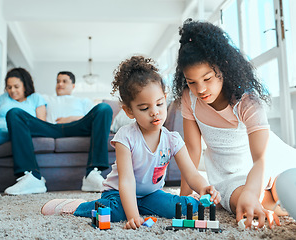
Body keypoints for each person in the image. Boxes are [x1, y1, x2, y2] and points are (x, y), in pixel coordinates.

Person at [40, 56, 221, 230]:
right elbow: (126, 181)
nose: (155, 112)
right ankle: (76, 206)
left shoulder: (172, 139)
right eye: (144, 108)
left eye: (159, 104)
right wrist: (133, 215)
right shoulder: (125, 137)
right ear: (129, 111)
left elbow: (191, 174)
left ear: (164, 99)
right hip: (118, 194)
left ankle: (153, 205)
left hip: (151, 194)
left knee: (182, 208)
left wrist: (204, 187)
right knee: (116, 213)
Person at [173, 19, 296, 229]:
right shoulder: (189, 98)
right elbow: (192, 150)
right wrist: (184, 198)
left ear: (224, 68)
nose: (200, 89)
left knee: (283, 188)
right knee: (245, 203)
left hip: (266, 162)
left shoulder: (247, 101)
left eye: (208, 78)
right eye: (192, 82)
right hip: (230, 176)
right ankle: (264, 201)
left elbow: (261, 159)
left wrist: (252, 190)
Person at [4, 71, 113, 195]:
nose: (60, 84)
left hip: (77, 126)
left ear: (73, 86)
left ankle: (93, 172)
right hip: (51, 128)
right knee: (14, 113)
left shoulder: (83, 101)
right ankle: (32, 176)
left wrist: (71, 118)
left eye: (64, 81)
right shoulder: (45, 98)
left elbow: (95, 119)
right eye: (58, 81)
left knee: (104, 108)